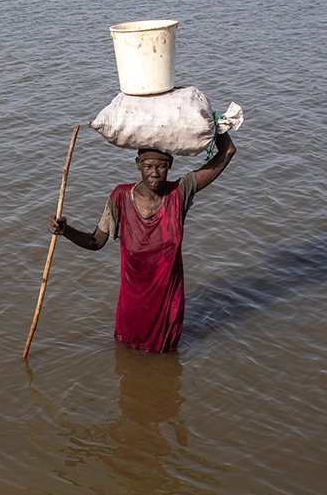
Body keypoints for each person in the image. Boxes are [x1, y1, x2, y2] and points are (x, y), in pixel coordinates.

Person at [47, 132, 236, 352]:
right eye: (148, 167)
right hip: (133, 300)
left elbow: (228, 151)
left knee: (165, 357)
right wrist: (65, 230)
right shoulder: (120, 198)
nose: (155, 174)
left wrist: (217, 125)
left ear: (171, 165)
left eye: (161, 167)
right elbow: (95, 242)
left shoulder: (179, 193)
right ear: (138, 165)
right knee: (128, 350)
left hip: (168, 300)